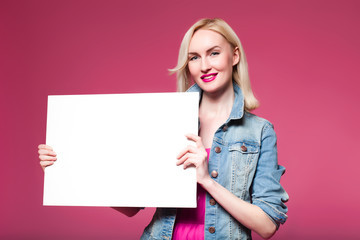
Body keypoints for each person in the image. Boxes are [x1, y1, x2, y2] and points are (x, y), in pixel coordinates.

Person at [38, 18, 288, 240]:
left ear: (234, 56)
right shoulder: (168, 121)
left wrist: (206, 181)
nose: (204, 66)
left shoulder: (260, 132)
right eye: (194, 57)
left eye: (213, 53)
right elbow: (132, 207)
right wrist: (66, 168)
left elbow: (266, 227)